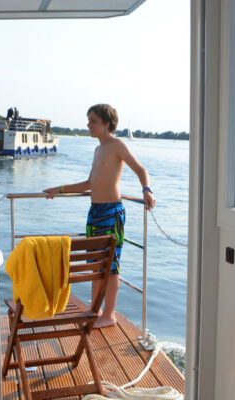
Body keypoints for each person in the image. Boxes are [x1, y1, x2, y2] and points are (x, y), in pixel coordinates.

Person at [43, 104, 156, 328]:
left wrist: (146, 191)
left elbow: (141, 170)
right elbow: (88, 184)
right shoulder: (97, 150)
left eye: (92, 120)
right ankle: (96, 310)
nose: (88, 125)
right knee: (95, 264)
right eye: (88, 120)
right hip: (94, 213)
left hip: (112, 212)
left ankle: (109, 316)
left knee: (111, 266)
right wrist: (59, 189)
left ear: (106, 123)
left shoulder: (117, 145)